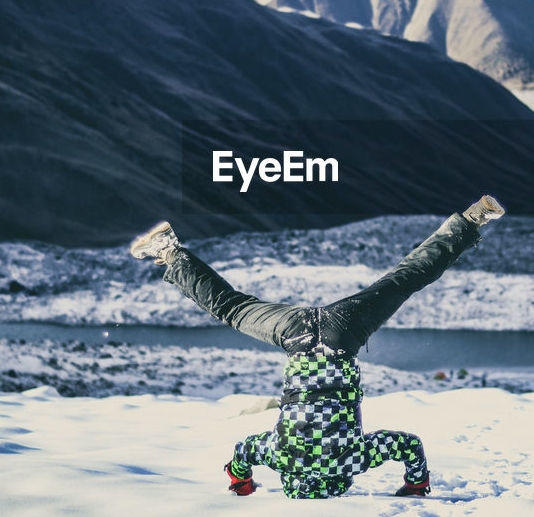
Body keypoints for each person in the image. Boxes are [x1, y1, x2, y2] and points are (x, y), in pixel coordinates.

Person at [128, 195, 505, 499]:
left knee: (403, 279)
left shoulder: (353, 461)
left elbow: (408, 445)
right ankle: (168, 249)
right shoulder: (278, 455)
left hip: (344, 334)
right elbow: (242, 452)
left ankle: (472, 219)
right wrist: (239, 481)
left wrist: (416, 485)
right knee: (231, 307)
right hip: (294, 335)